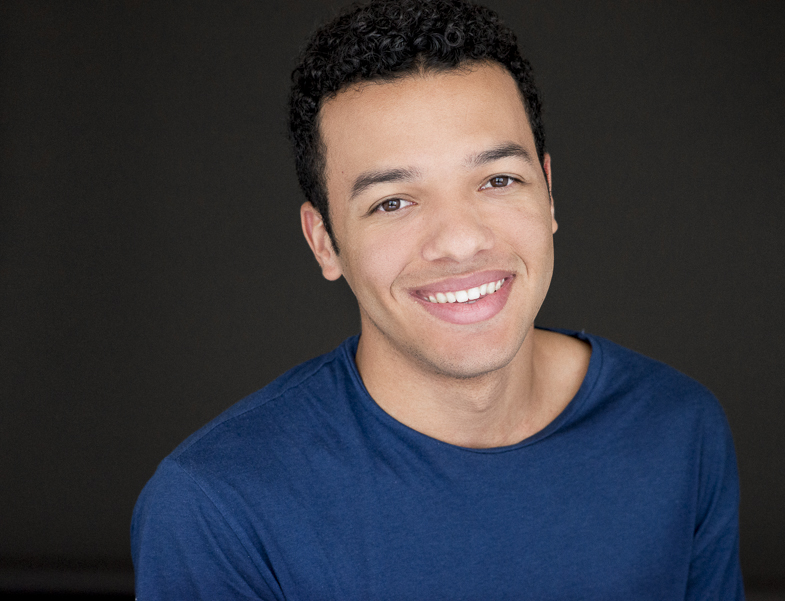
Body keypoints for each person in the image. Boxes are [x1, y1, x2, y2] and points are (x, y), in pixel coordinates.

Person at [131, 0, 745, 598]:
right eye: (392, 202)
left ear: (549, 193)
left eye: (498, 179)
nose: (460, 241)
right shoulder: (216, 507)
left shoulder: (679, 431)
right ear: (324, 242)